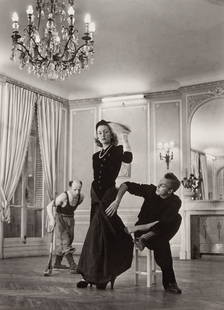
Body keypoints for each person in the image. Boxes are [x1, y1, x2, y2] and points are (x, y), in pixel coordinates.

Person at [77, 120, 134, 289]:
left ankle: (98, 276)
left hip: (108, 194)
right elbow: (97, 178)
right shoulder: (95, 156)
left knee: (100, 233)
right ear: (97, 136)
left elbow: (129, 158)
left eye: (106, 132)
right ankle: (96, 276)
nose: (102, 135)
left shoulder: (117, 150)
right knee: (97, 233)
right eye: (99, 133)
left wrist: (125, 137)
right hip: (95, 193)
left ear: (111, 134)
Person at [106, 172, 182, 294]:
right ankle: (170, 283)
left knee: (175, 219)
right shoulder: (151, 190)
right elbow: (126, 185)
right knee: (163, 240)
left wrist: (134, 228)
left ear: (170, 191)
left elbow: (162, 223)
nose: (158, 186)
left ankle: (144, 239)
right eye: (159, 183)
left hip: (153, 233)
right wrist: (117, 201)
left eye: (162, 185)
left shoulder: (175, 201)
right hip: (144, 232)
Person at [47, 179, 84, 274]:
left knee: (68, 240)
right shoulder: (63, 196)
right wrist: (51, 220)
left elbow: (72, 208)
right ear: (70, 188)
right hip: (60, 219)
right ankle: (72, 265)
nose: (77, 192)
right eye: (75, 189)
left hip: (70, 220)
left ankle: (57, 264)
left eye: (79, 189)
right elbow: (49, 206)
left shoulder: (81, 197)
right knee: (65, 242)